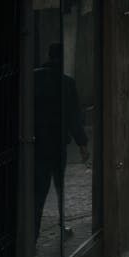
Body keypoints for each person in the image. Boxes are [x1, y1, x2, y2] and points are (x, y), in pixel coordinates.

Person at [34, 43, 89, 241]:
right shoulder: (66, 83)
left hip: (37, 144)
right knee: (59, 186)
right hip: (57, 145)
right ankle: (62, 223)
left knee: (38, 191)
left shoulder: (33, 78)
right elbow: (74, 117)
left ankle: (33, 232)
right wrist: (82, 144)